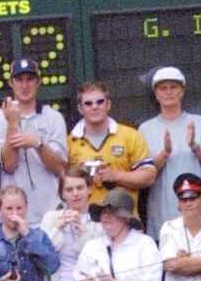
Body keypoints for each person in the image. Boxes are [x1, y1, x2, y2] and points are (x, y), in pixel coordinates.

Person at [138, 67, 201, 238]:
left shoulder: (200, 122)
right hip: (164, 216)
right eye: (163, 88)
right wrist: (165, 154)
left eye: (173, 87)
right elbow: (144, 176)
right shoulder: (145, 129)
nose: (169, 92)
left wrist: (195, 146)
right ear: (156, 94)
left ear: (182, 91)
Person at [0, 56, 69, 226]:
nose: (25, 85)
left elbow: (59, 167)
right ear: (11, 82)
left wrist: (37, 144)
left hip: (50, 215)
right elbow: (9, 165)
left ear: (38, 82)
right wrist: (13, 123)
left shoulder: (53, 117)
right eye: (19, 80)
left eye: (30, 79)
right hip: (12, 217)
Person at [66, 82, 155, 217]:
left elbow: (149, 176)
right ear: (80, 108)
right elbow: (62, 184)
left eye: (100, 102)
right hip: (85, 224)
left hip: (125, 220)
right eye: (88, 103)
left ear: (108, 104)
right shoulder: (70, 142)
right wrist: (82, 176)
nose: (94, 107)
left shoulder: (130, 135)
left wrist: (117, 176)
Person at [73, 185, 163, 281]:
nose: (106, 216)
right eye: (103, 212)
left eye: (112, 212)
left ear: (126, 218)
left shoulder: (145, 244)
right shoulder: (91, 247)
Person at [42, 165, 105, 281]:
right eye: (69, 190)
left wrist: (82, 232)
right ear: (62, 194)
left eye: (80, 188)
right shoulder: (51, 217)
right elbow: (42, 254)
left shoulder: (99, 220)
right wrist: (58, 227)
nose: (75, 193)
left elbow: (99, 259)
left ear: (89, 189)